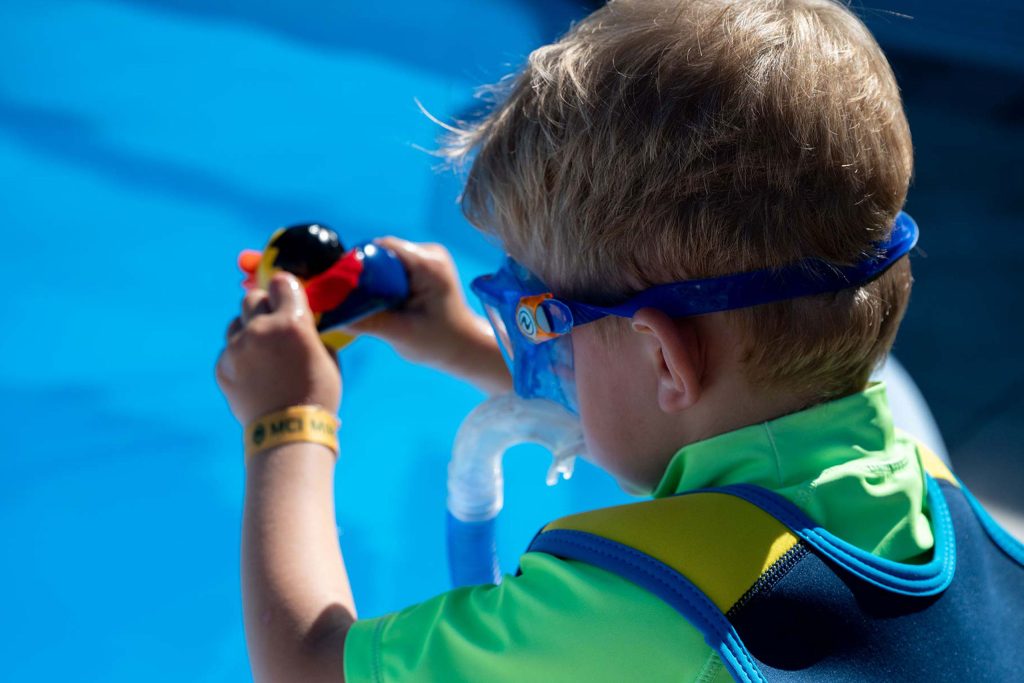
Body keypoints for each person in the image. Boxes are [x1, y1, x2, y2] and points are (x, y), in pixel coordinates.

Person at [215, 1, 1024, 681]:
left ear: (665, 356)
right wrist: (463, 344)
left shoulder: (646, 603)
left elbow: (306, 663)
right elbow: (694, 434)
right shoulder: (930, 499)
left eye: (546, 324)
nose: (547, 355)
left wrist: (287, 418)